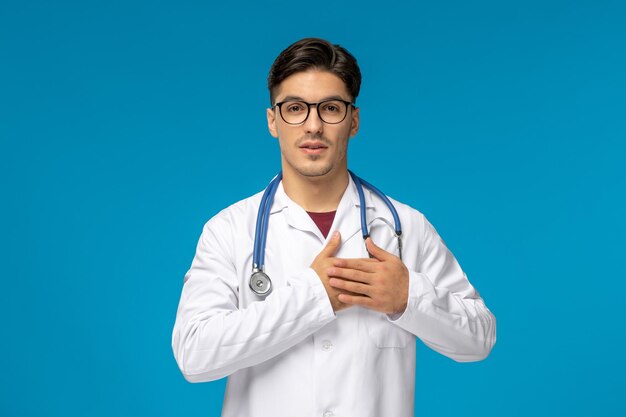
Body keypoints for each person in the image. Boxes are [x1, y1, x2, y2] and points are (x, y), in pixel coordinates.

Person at [171, 37, 496, 417]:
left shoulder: (405, 227)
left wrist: (409, 297)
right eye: (295, 108)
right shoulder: (229, 230)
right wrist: (313, 297)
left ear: (353, 121)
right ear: (273, 121)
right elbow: (194, 355)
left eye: (330, 108)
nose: (313, 125)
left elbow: (479, 338)